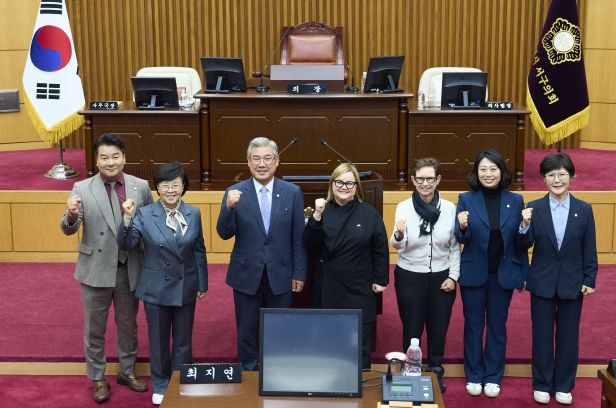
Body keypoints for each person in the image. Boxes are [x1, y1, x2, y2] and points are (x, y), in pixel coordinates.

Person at [60, 133, 153, 403]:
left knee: (128, 325)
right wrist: (71, 214)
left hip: (128, 267)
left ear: (124, 157)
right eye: (104, 157)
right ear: (96, 160)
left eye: (115, 156)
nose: (110, 162)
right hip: (95, 269)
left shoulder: (140, 186)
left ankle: (127, 371)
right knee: (94, 328)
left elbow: (150, 225)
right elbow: (69, 228)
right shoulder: (81, 188)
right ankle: (98, 377)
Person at [117, 161, 208, 406]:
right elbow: (126, 244)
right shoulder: (145, 213)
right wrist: (127, 218)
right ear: (157, 187)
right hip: (156, 288)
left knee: (183, 341)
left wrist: (202, 282)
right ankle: (160, 383)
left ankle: (180, 383)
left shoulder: (194, 213)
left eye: (175, 185)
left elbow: (199, 250)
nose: (170, 190)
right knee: (158, 342)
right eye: (165, 185)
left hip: (186, 285)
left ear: (183, 186)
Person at [216, 137, 307, 371]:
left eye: (267, 158)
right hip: (246, 273)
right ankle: (248, 370)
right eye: (256, 159)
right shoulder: (234, 192)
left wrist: (299, 273)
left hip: (281, 273)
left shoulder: (292, 192)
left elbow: (298, 237)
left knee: (279, 327)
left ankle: (277, 370)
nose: (262, 164)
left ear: (277, 161)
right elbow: (224, 233)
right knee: (247, 329)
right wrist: (228, 208)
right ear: (248, 162)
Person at [518, 152, 597, 406]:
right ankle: (542, 384)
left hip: (573, 282)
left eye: (562, 174)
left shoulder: (584, 209)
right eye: (551, 175)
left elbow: (589, 247)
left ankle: (564, 384)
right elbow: (524, 244)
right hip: (542, 281)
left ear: (572, 177)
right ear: (543, 178)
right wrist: (524, 225)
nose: (557, 180)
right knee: (541, 336)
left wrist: (590, 278)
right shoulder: (534, 207)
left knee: (568, 336)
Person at [454, 149, 528, 398]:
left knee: (497, 326)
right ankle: (474, 374)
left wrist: (525, 226)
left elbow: (521, 242)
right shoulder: (466, 199)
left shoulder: (515, 201)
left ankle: (494, 376)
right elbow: (461, 237)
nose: (488, 174)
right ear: (476, 172)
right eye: (483, 169)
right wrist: (462, 226)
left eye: (493, 169)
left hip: (502, 274)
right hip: (474, 272)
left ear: (501, 171)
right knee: (474, 326)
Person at [303, 163, 389, 368]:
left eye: (349, 183)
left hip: (359, 288)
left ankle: (361, 378)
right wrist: (316, 216)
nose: (344, 187)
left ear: (356, 187)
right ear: (332, 185)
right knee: (327, 341)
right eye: (339, 182)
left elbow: (380, 248)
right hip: (328, 287)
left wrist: (380, 279)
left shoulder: (368, 213)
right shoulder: (323, 211)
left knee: (359, 344)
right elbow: (309, 244)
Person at [391, 157, 459, 392]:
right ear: (413, 180)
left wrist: (453, 276)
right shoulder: (403, 207)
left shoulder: (449, 208)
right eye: (420, 179)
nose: (425, 184)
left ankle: (436, 369)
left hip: (441, 277)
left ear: (438, 179)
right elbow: (397, 245)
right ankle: (411, 372)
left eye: (430, 178)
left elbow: (454, 247)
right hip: (410, 276)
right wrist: (399, 235)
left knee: (438, 327)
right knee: (412, 327)